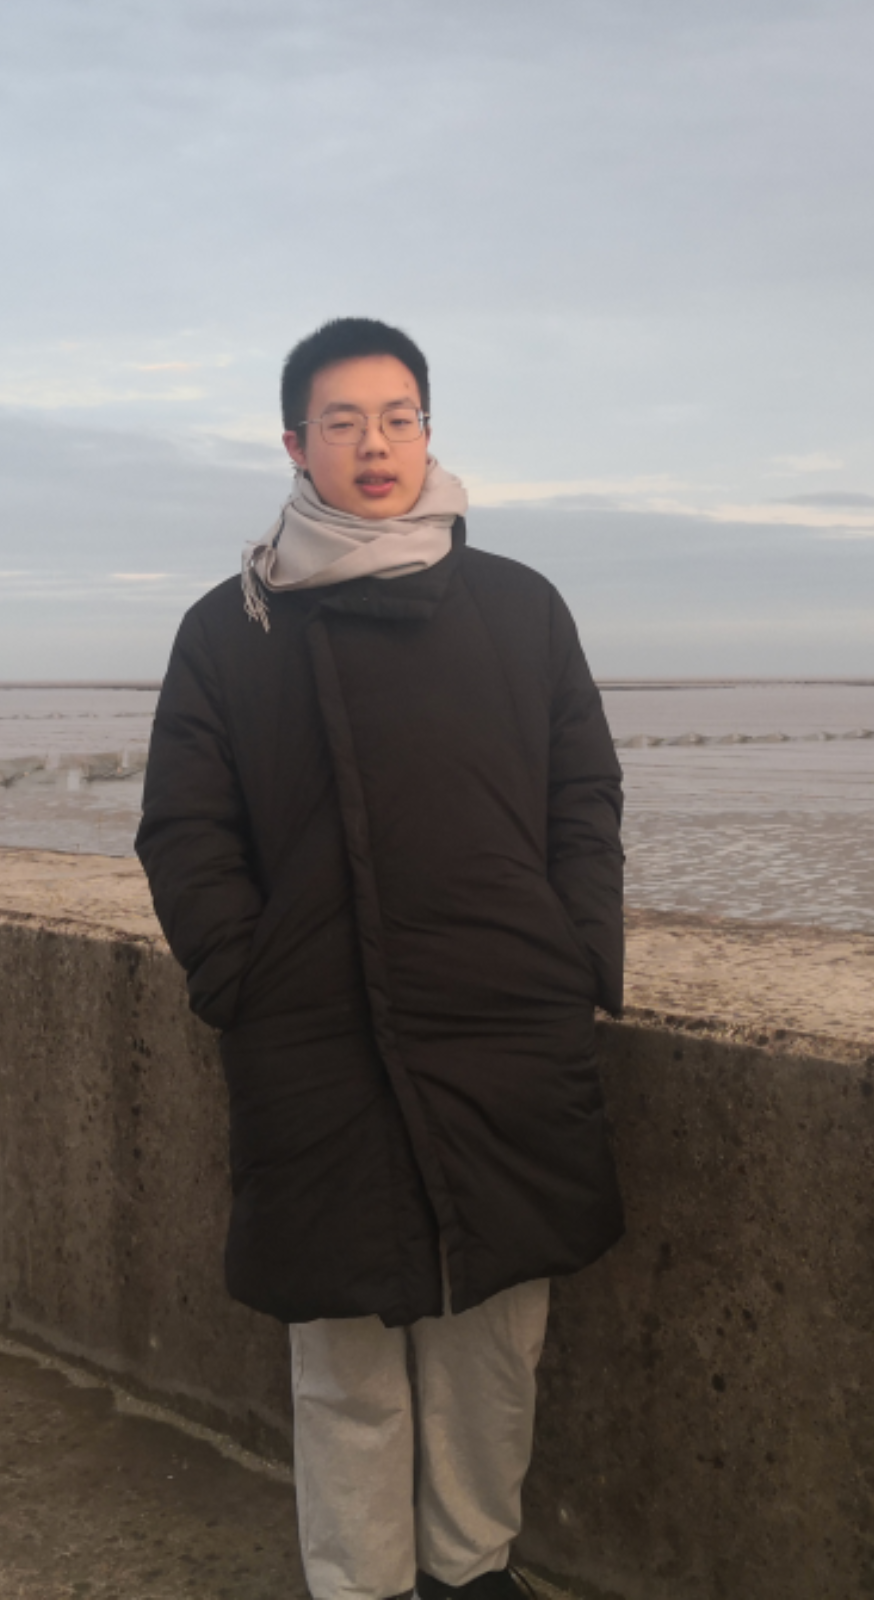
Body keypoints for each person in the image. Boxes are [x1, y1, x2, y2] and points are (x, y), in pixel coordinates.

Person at [136, 317, 624, 1600]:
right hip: (314, 1032)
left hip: (501, 1019)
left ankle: (471, 1569)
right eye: (343, 420)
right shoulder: (230, 627)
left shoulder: (517, 604)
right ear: (294, 442)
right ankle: (361, 1584)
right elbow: (184, 828)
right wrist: (239, 977)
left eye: (397, 417)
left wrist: (574, 954)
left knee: (492, 1335)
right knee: (344, 1355)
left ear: (427, 432)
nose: (373, 444)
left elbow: (582, 790)